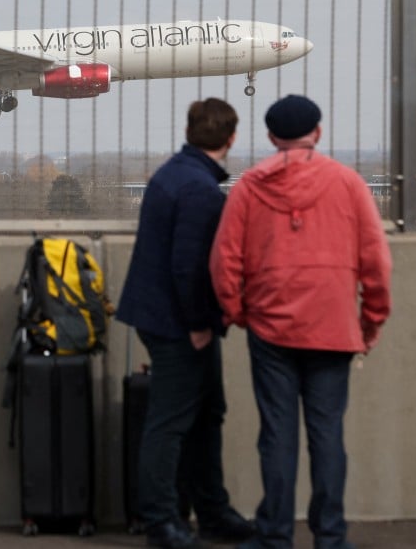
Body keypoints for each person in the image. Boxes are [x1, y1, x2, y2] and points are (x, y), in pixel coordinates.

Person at [210, 95, 392, 549]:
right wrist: (369, 323)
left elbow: (224, 262)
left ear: (272, 138)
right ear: (319, 132)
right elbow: (376, 263)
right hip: (332, 326)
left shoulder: (250, 188)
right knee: (328, 434)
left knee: (277, 434)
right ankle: (330, 536)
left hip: (270, 327)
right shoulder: (348, 184)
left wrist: (238, 312)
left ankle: (274, 535)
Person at [115, 98, 257, 549]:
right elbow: (189, 266)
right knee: (172, 422)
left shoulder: (175, 174)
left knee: (205, 413)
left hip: (164, 316)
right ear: (231, 138)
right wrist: (199, 323)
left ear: (190, 130)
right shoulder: (197, 188)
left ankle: (212, 510)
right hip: (179, 322)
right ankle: (163, 522)